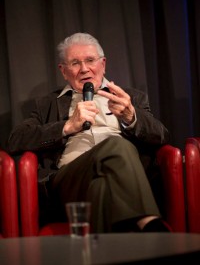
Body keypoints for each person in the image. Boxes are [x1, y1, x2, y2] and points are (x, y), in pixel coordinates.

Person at [7, 32, 171, 233]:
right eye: (75, 63)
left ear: (103, 64)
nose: (84, 69)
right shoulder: (48, 104)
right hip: (70, 179)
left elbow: (162, 136)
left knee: (101, 187)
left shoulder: (131, 98)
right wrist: (67, 126)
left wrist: (131, 116)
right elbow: (16, 140)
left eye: (90, 60)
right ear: (64, 71)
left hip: (123, 179)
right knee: (117, 144)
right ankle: (149, 223)